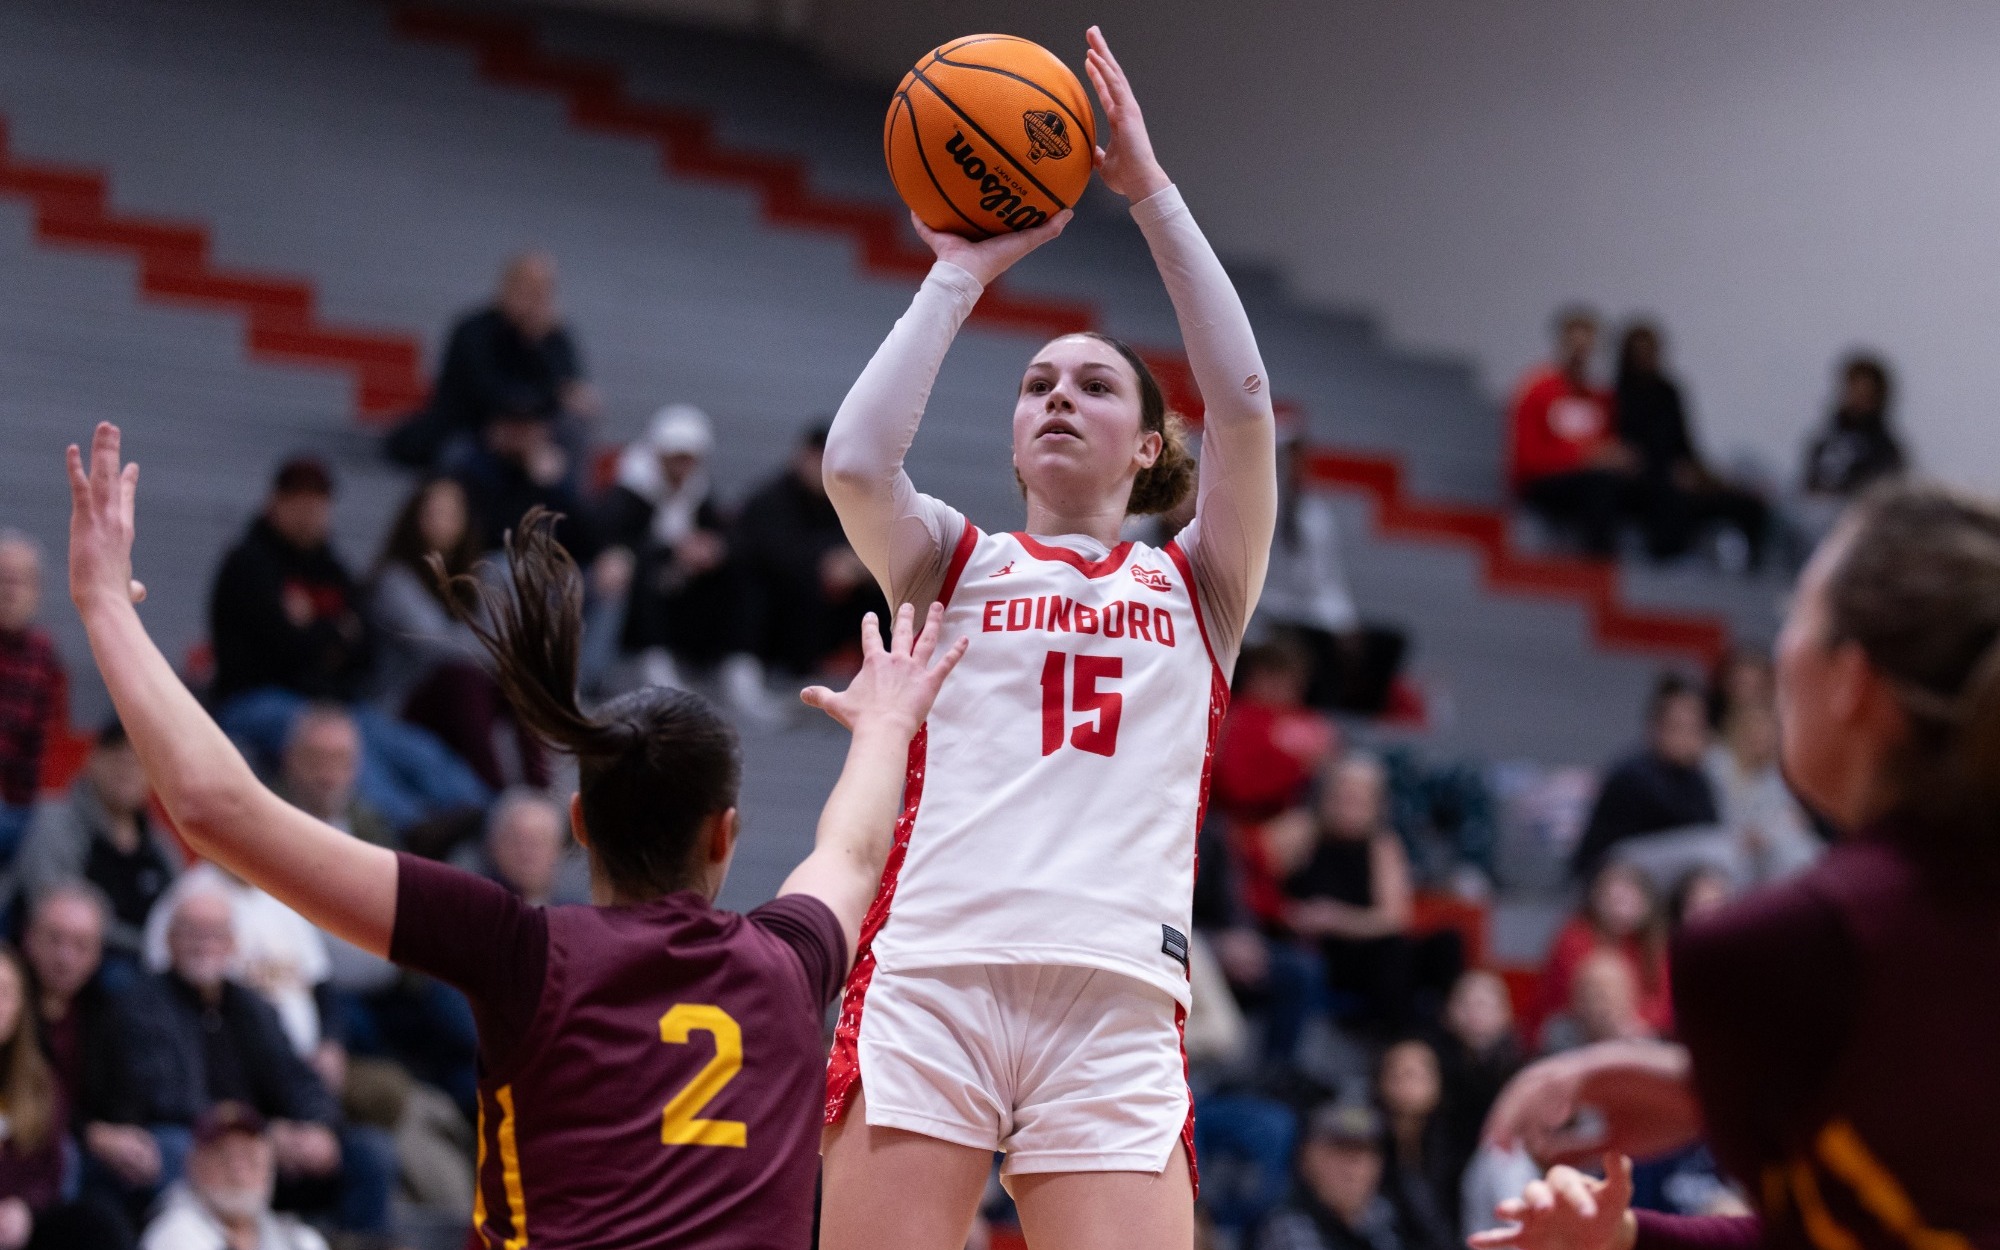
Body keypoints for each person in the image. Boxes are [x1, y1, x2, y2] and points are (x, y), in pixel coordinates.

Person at [67, 421, 966, 1247]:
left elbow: (218, 810)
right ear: (725, 835)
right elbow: (850, 850)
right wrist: (886, 723)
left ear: (578, 823)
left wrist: (106, 606)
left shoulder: (525, 951)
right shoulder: (791, 958)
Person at [817, 30, 1276, 1249]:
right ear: (1015, 442)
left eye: (1093, 385)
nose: (1057, 395)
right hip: (937, 965)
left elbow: (1242, 410)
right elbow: (858, 461)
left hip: (1116, 992)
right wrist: (959, 275)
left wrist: (1151, 197)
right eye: (1033, 386)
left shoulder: (1200, 582)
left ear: (1145, 449)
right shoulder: (954, 560)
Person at [1477, 480, 2000, 1250]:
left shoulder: (1778, 954)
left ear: (1852, 681)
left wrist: (1709, 1088)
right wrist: (1632, 1238)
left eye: (1797, 612)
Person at [209, 459, 488, 832]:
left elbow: (361, 646)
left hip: (332, 698)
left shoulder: (332, 568)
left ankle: (486, 814)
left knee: (412, 747)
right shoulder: (248, 564)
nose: (310, 514)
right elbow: (283, 648)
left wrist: (314, 631)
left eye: (318, 504)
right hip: (257, 700)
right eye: (299, 503)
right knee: (343, 746)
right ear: (275, 502)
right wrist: (333, 636)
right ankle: (411, 828)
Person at [110, 888, 394, 1239]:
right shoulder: (142, 1005)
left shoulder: (251, 1005)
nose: (204, 944)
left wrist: (318, 1127)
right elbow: (166, 1098)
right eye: (192, 933)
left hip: (273, 1153)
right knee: (172, 1147)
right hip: (202, 1142)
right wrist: (259, 1134)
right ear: (169, 941)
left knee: (368, 1154)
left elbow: (298, 1078)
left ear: (232, 944)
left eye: (215, 934)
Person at [598, 405, 781, 720]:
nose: (684, 466)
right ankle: (654, 663)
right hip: (642, 596)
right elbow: (615, 541)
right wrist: (673, 551)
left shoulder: (697, 491)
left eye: (690, 458)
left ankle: (738, 664)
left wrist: (709, 549)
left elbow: (719, 535)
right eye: (676, 457)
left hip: (686, 593)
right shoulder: (629, 490)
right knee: (640, 571)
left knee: (741, 575)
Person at [367, 477, 546, 792]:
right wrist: (500, 649)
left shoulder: (475, 576)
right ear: (414, 518)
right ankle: (495, 791)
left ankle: (538, 790)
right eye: (433, 513)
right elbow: (438, 645)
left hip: (463, 695)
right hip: (404, 700)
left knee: (523, 682)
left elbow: (505, 641)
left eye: (451, 514)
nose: (442, 523)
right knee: (463, 677)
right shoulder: (394, 580)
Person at [385, 252, 598, 473]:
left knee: (565, 448)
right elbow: (483, 391)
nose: (532, 299)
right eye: (525, 287)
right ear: (505, 286)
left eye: (541, 291)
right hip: (473, 432)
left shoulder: (554, 339)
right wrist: (541, 402)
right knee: (455, 456)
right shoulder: (473, 330)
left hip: (533, 440)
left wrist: (536, 344)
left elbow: (572, 393)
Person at [13, 720, 182, 969]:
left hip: (153, 962)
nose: (126, 767)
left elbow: (181, 902)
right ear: (92, 759)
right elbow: (47, 901)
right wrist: (144, 943)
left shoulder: (159, 841)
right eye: (117, 755)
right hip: (79, 960)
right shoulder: (57, 820)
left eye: (137, 761)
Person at [1256, 436, 1406, 714]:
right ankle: (1316, 711)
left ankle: (1355, 714)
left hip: (1311, 614)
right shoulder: (1255, 509)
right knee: (1315, 643)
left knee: (1388, 642)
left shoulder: (1315, 516)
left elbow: (1329, 581)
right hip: (1270, 612)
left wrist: (1343, 622)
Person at [0, 941, 134, 1250]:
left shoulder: (38, 1083)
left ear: (21, 1006)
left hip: (14, 1228)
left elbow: (50, 1174)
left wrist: (24, 1209)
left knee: (97, 1222)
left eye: (5, 992)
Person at [1281, 755, 1424, 1034]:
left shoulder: (1382, 846)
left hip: (1360, 953)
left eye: (1359, 797)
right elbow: (1261, 891)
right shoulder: (1301, 832)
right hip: (1310, 948)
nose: (1349, 804)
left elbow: (1394, 920)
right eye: (1342, 793)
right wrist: (1300, 917)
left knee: (1421, 949)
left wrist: (1336, 919)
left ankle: (1399, 1044)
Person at [1612, 323, 1769, 570]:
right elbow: (1622, 452)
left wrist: (1707, 476)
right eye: (1638, 352)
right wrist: (1665, 471)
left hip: (1682, 476)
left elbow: (1685, 445)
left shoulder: (1668, 392)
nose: (1645, 358)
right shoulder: (1613, 395)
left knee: (1749, 504)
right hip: (1645, 484)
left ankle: (1753, 576)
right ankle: (1670, 567)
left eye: (1650, 351)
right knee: (1667, 497)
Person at [735, 423, 885, 679]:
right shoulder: (769, 500)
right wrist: (826, 563)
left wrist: (856, 566)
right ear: (802, 456)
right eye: (818, 459)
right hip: (776, 598)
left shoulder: (842, 501)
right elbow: (773, 553)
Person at [1507, 308, 1638, 558]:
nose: (1580, 356)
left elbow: (1608, 449)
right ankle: (1597, 568)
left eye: (1587, 348)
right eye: (1574, 347)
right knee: (1599, 486)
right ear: (1561, 345)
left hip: (1592, 482)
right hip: (1547, 483)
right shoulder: (1537, 391)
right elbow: (1526, 460)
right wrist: (1585, 456)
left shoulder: (1601, 398)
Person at [1568, 675, 1719, 881]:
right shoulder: (1633, 774)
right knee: (1711, 851)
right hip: (1605, 876)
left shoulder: (1695, 777)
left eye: (1695, 729)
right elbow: (1686, 828)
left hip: (1655, 880)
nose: (1688, 738)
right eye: (1677, 728)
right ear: (1655, 728)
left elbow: (1710, 824)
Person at [140, 1102, 327, 1250]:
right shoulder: (174, 1236)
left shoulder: (302, 1240)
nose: (238, 1171)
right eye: (223, 1157)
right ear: (194, 1165)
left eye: (249, 1156)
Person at [1530, 863, 1670, 1048]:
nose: (1620, 906)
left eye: (1629, 897)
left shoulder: (1653, 945)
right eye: (1614, 897)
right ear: (1597, 899)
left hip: (1636, 1030)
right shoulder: (1574, 937)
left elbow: (1666, 1002)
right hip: (1575, 1029)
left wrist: (1640, 1021)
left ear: (1646, 903)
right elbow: (1573, 999)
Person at [1258, 1103, 1406, 1250]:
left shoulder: (1384, 1217)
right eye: (1341, 1151)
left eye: (1363, 1153)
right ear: (1306, 1159)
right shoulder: (1288, 1226)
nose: (1352, 1168)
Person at [0, 531, 63, 862]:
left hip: (27, 809)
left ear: (37, 593)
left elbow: (52, 745)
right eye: (3, 580)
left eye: (20, 582)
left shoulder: (45, 655)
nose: (9, 592)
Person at [1376, 1039, 1458, 1250]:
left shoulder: (1453, 1142)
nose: (1405, 1083)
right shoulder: (1369, 1144)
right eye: (1397, 1074)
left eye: (1415, 1074)